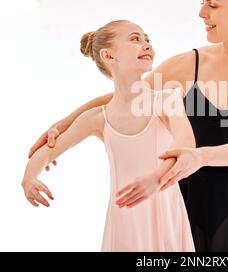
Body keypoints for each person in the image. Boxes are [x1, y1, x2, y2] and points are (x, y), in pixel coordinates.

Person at [29, 0, 228, 252]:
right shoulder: (189, 64)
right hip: (177, 197)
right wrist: (62, 124)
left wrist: (198, 156)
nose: (201, 13)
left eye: (213, 5)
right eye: (201, 3)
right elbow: (128, 97)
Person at [22, 20, 196, 252]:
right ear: (108, 56)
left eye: (147, 39)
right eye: (135, 39)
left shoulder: (165, 100)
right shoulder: (98, 118)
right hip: (124, 221)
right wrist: (29, 179)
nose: (146, 44)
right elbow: (48, 151)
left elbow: (187, 145)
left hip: (164, 215)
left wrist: (157, 177)